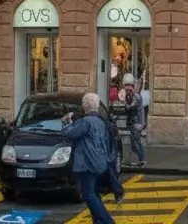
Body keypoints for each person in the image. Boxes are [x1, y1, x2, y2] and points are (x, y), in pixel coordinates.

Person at [62, 93, 121, 224]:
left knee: (88, 194)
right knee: (94, 193)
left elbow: (70, 134)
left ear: (86, 106)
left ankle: (107, 221)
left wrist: (66, 122)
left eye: (83, 103)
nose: (82, 105)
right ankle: (98, 221)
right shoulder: (100, 122)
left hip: (87, 163)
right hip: (100, 163)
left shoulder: (85, 122)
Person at [122, 74, 146, 168]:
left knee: (137, 142)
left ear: (133, 86)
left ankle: (142, 160)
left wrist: (124, 103)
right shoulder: (128, 96)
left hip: (137, 123)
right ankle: (140, 160)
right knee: (133, 143)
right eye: (126, 85)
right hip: (132, 123)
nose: (128, 88)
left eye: (129, 85)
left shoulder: (137, 97)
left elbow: (130, 106)